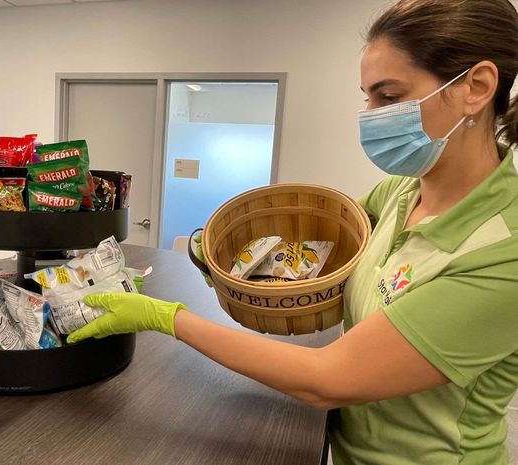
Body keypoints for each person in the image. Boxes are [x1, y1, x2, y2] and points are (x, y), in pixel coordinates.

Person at [67, 0, 518, 463]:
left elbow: (328, 379)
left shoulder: (504, 253)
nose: (369, 115)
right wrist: (232, 268)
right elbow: (318, 259)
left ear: (476, 88)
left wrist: (164, 317)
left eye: (388, 96)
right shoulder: (401, 194)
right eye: (366, 97)